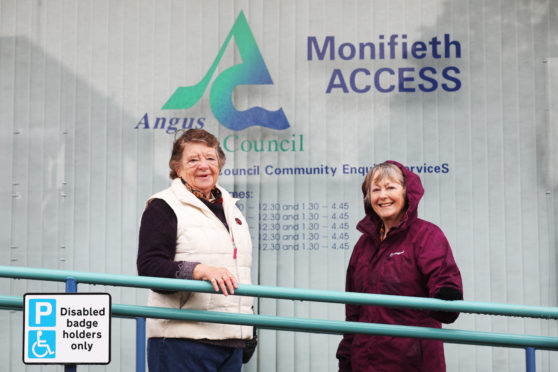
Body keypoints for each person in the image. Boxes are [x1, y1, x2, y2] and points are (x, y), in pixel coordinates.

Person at [137, 129, 254, 372]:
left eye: (210, 158)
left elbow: (239, 272)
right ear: (177, 168)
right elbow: (150, 268)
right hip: (181, 341)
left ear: (219, 165)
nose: (204, 165)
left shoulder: (231, 209)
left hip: (230, 341)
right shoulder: (163, 206)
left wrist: (248, 329)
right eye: (193, 159)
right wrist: (198, 271)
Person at [336, 161, 463, 372]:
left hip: (412, 362)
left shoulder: (426, 236)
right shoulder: (363, 245)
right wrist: (346, 357)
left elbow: (444, 281)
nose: (382, 196)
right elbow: (354, 312)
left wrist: (447, 298)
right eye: (375, 190)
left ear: (407, 193)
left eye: (390, 187)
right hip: (364, 361)